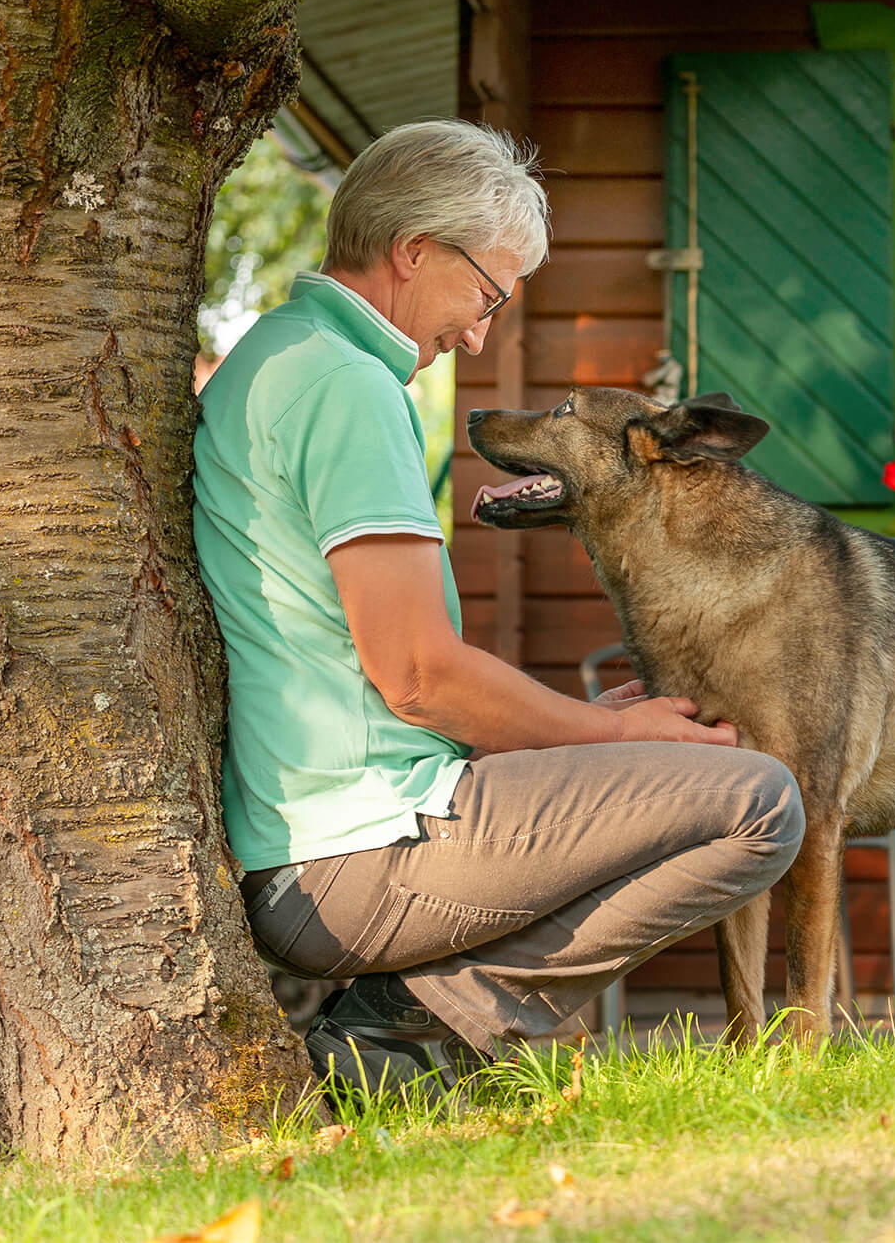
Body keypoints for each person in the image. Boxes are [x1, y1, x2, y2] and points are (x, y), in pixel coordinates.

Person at [192, 119, 804, 1094]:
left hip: (315, 839)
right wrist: (606, 739)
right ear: (414, 249)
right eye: (486, 295)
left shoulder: (281, 352)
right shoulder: (348, 388)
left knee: (662, 763)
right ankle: (404, 1036)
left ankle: (409, 1033)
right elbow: (417, 674)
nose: (478, 333)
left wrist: (572, 737)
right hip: (358, 852)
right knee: (760, 801)